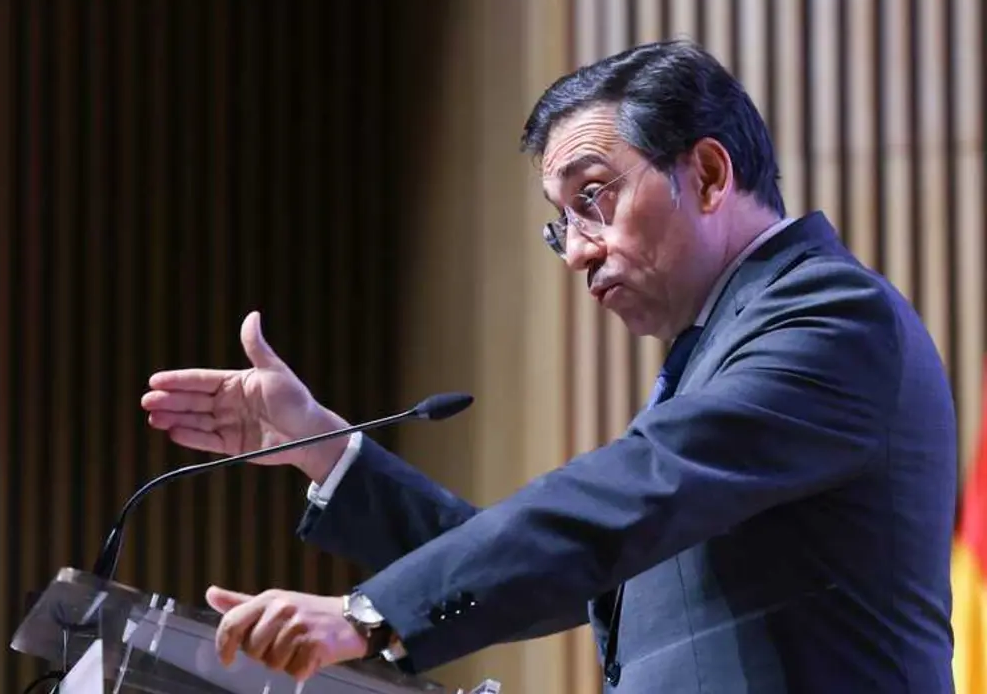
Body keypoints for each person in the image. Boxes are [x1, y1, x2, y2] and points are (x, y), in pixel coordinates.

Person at [140, 39, 957, 692]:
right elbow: (565, 567)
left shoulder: (830, 317)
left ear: (707, 174)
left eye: (592, 197)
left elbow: (635, 491)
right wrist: (325, 449)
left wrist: (368, 614)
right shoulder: (714, 349)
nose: (574, 254)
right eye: (559, 224)